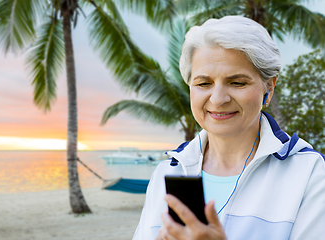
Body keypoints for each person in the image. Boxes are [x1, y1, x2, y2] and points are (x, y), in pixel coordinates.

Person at [133, 16, 325, 240]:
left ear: (269, 88)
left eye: (237, 83)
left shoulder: (310, 174)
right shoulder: (167, 172)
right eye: (204, 83)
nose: (218, 99)